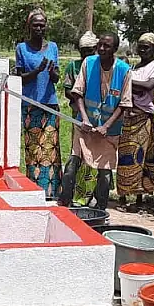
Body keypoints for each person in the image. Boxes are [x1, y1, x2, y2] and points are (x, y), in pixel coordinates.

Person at [59, 33, 133, 208]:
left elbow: (124, 103)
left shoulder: (124, 70)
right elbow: (77, 93)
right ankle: (65, 202)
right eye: (100, 45)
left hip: (109, 130)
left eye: (107, 46)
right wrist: (84, 118)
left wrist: (106, 126)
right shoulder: (89, 63)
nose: (101, 49)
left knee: (104, 173)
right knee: (72, 164)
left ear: (115, 49)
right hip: (85, 125)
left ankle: (101, 208)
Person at [15, 10, 61, 197]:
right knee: (33, 150)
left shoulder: (53, 47)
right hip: (30, 105)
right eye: (36, 25)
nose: (39, 28)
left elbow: (56, 78)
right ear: (29, 27)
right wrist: (37, 71)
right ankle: (33, 191)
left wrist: (51, 72)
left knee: (50, 150)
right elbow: (19, 79)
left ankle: (51, 192)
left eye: (42, 25)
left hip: (50, 104)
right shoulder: (22, 48)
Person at [118, 33, 154, 209]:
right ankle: (123, 195)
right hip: (128, 116)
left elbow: (148, 86)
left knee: (142, 156)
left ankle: (139, 197)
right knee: (125, 155)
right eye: (140, 47)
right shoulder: (134, 67)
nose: (143, 50)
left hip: (143, 116)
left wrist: (126, 80)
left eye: (147, 47)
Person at [65, 32, 101, 205]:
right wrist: (80, 99)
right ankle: (76, 191)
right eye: (83, 51)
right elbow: (68, 90)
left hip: (99, 116)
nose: (86, 54)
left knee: (95, 154)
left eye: (90, 50)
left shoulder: (100, 66)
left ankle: (92, 193)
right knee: (78, 153)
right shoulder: (73, 66)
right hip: (79, 116)